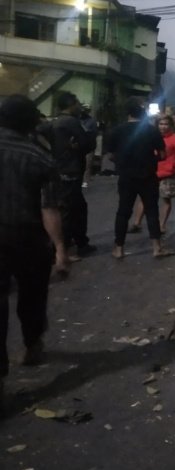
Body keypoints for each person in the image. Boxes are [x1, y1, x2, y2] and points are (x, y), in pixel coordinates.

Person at [0, 95, 69, 410]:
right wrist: (60, 250)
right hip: (27, 238)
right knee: (32, 295)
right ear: (32, 124)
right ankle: (31, 346)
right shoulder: (40, 158)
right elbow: (49, 209)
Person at [105, 97, 174, 259]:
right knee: (151, 211)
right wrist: (151, 159)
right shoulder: (151, 131)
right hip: (148, 176)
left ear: (127, 113)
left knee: (123, 212)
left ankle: (119, 248)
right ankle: (157, 248)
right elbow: (163, 155)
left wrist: (122, 161)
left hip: (126, 177)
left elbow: (110, 155)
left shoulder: (117, 130)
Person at [50, 92, 96, 259]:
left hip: (62, 170)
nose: (79, 106)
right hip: (70, 172)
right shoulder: (71, 122)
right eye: (77, 103)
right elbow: (88, 143)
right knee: (70, 210)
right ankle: (65, 248)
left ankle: (80, 242)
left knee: (76, 208)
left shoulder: (55, 122)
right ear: (71, 104)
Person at [129, 115, 175, 234]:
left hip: (168, 174)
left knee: (166, 199)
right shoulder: (152, 137)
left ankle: (161, 225)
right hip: (151, 172)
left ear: (171, 126)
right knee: (144, 198)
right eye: (161, 124)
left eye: (166, 124)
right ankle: (137, 223)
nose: (163, 127)